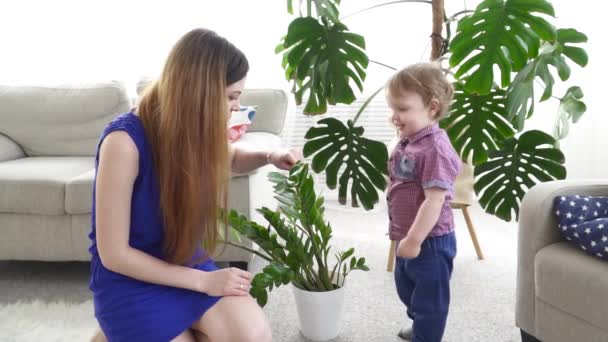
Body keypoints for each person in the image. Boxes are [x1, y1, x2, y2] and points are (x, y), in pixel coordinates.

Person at [89, 28, 300, 342]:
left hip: (184, 261)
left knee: (253, 335)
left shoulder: (192, 128)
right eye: (231, 96)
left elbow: (229, 158)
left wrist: (270, 155)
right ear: (200, 91)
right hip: (130, 278)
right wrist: (205, 283)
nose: (235, 107)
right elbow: (115, 255)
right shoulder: (124, 142)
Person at [385, 63, 461, 342]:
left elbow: (435, 201)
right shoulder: (411, 140)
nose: (395, 116)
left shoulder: (435, 149)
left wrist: (415, 240)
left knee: (430, 301)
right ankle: (420, 325)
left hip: (430, 240)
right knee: (406, 288)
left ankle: (427, 334)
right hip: (406, 233)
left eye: (403, 109)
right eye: (392, 109)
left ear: (432, 107)